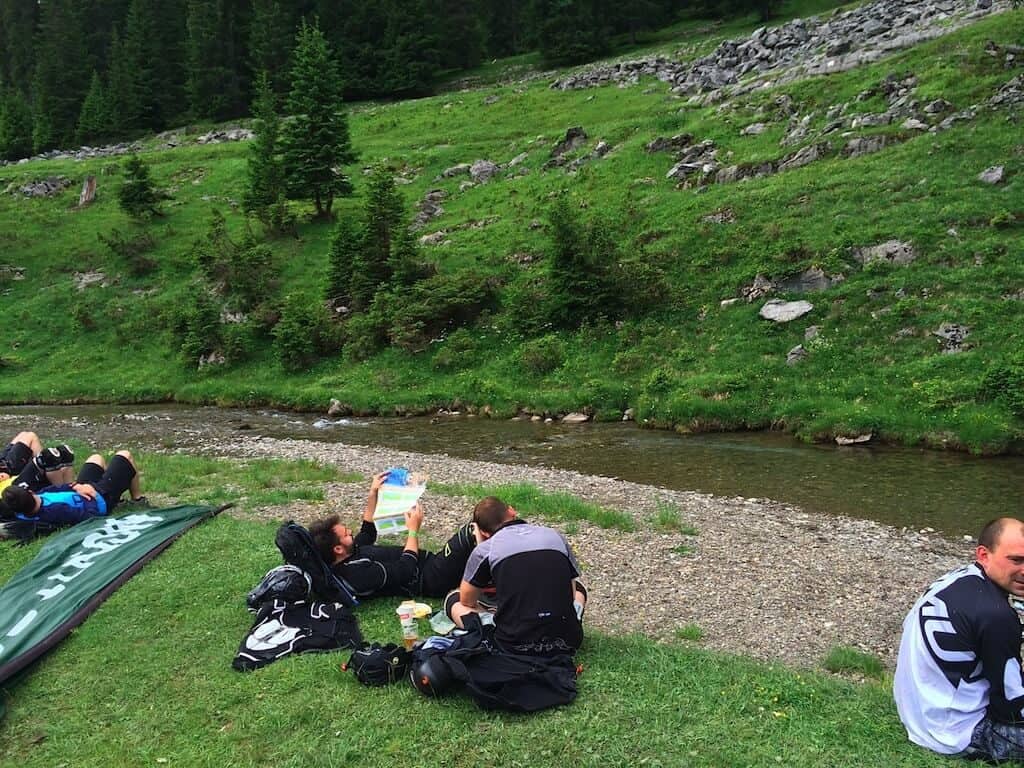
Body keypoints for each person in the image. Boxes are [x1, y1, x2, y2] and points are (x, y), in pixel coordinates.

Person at [894, 517, 1024, 762]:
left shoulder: (960, 578)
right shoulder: (996, 616)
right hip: (953, 733)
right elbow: (1012, 708)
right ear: (984, 554)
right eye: (1016, 560)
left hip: (917, 710)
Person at [445, 496, 587, 657]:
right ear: (511, 511)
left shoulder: (486, 549)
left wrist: (481, 545)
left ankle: (488, 624)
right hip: (568, 639)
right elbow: (571, 594)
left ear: (483, 532)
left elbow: (467, 600)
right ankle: (567, 623)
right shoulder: (554, 536)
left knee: (454, 599)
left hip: (512, 644)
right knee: (579, 590)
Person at [308, 471, 477, 599]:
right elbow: (406, 569)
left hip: (431, 562)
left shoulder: (350, 552)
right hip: (430, 578)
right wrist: (413, 530)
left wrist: (373, 493)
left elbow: (367, 531)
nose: (351, 532)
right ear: (338, 549)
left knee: (478, 546)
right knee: (472, 531)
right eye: (346, 534)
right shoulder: (357, 574)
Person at [1, 449, 143, 527]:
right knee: (125, 455)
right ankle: (138, 500)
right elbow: (86, 517)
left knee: (96, 458)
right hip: (99, 498)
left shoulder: (27, 509)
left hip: (82, 489)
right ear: (29, 491)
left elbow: (60, 487)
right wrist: (95, 497)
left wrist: (77, 486)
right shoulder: (55, 510)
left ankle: (115, 489)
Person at [0, 431, 75, 494]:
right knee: (48, 457)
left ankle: (47, 467)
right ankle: (46, 465)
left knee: (27, 435)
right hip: (7, 482)